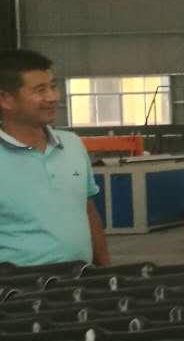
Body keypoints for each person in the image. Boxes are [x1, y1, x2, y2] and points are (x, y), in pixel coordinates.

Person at [0, 49, 109, 268]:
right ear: (5, 99)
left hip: (80, 279)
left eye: (53, 86)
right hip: (18, 286)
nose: (52, 97)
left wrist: (106, 270)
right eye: (40, 90)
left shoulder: (72, 144)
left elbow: (87, 210)